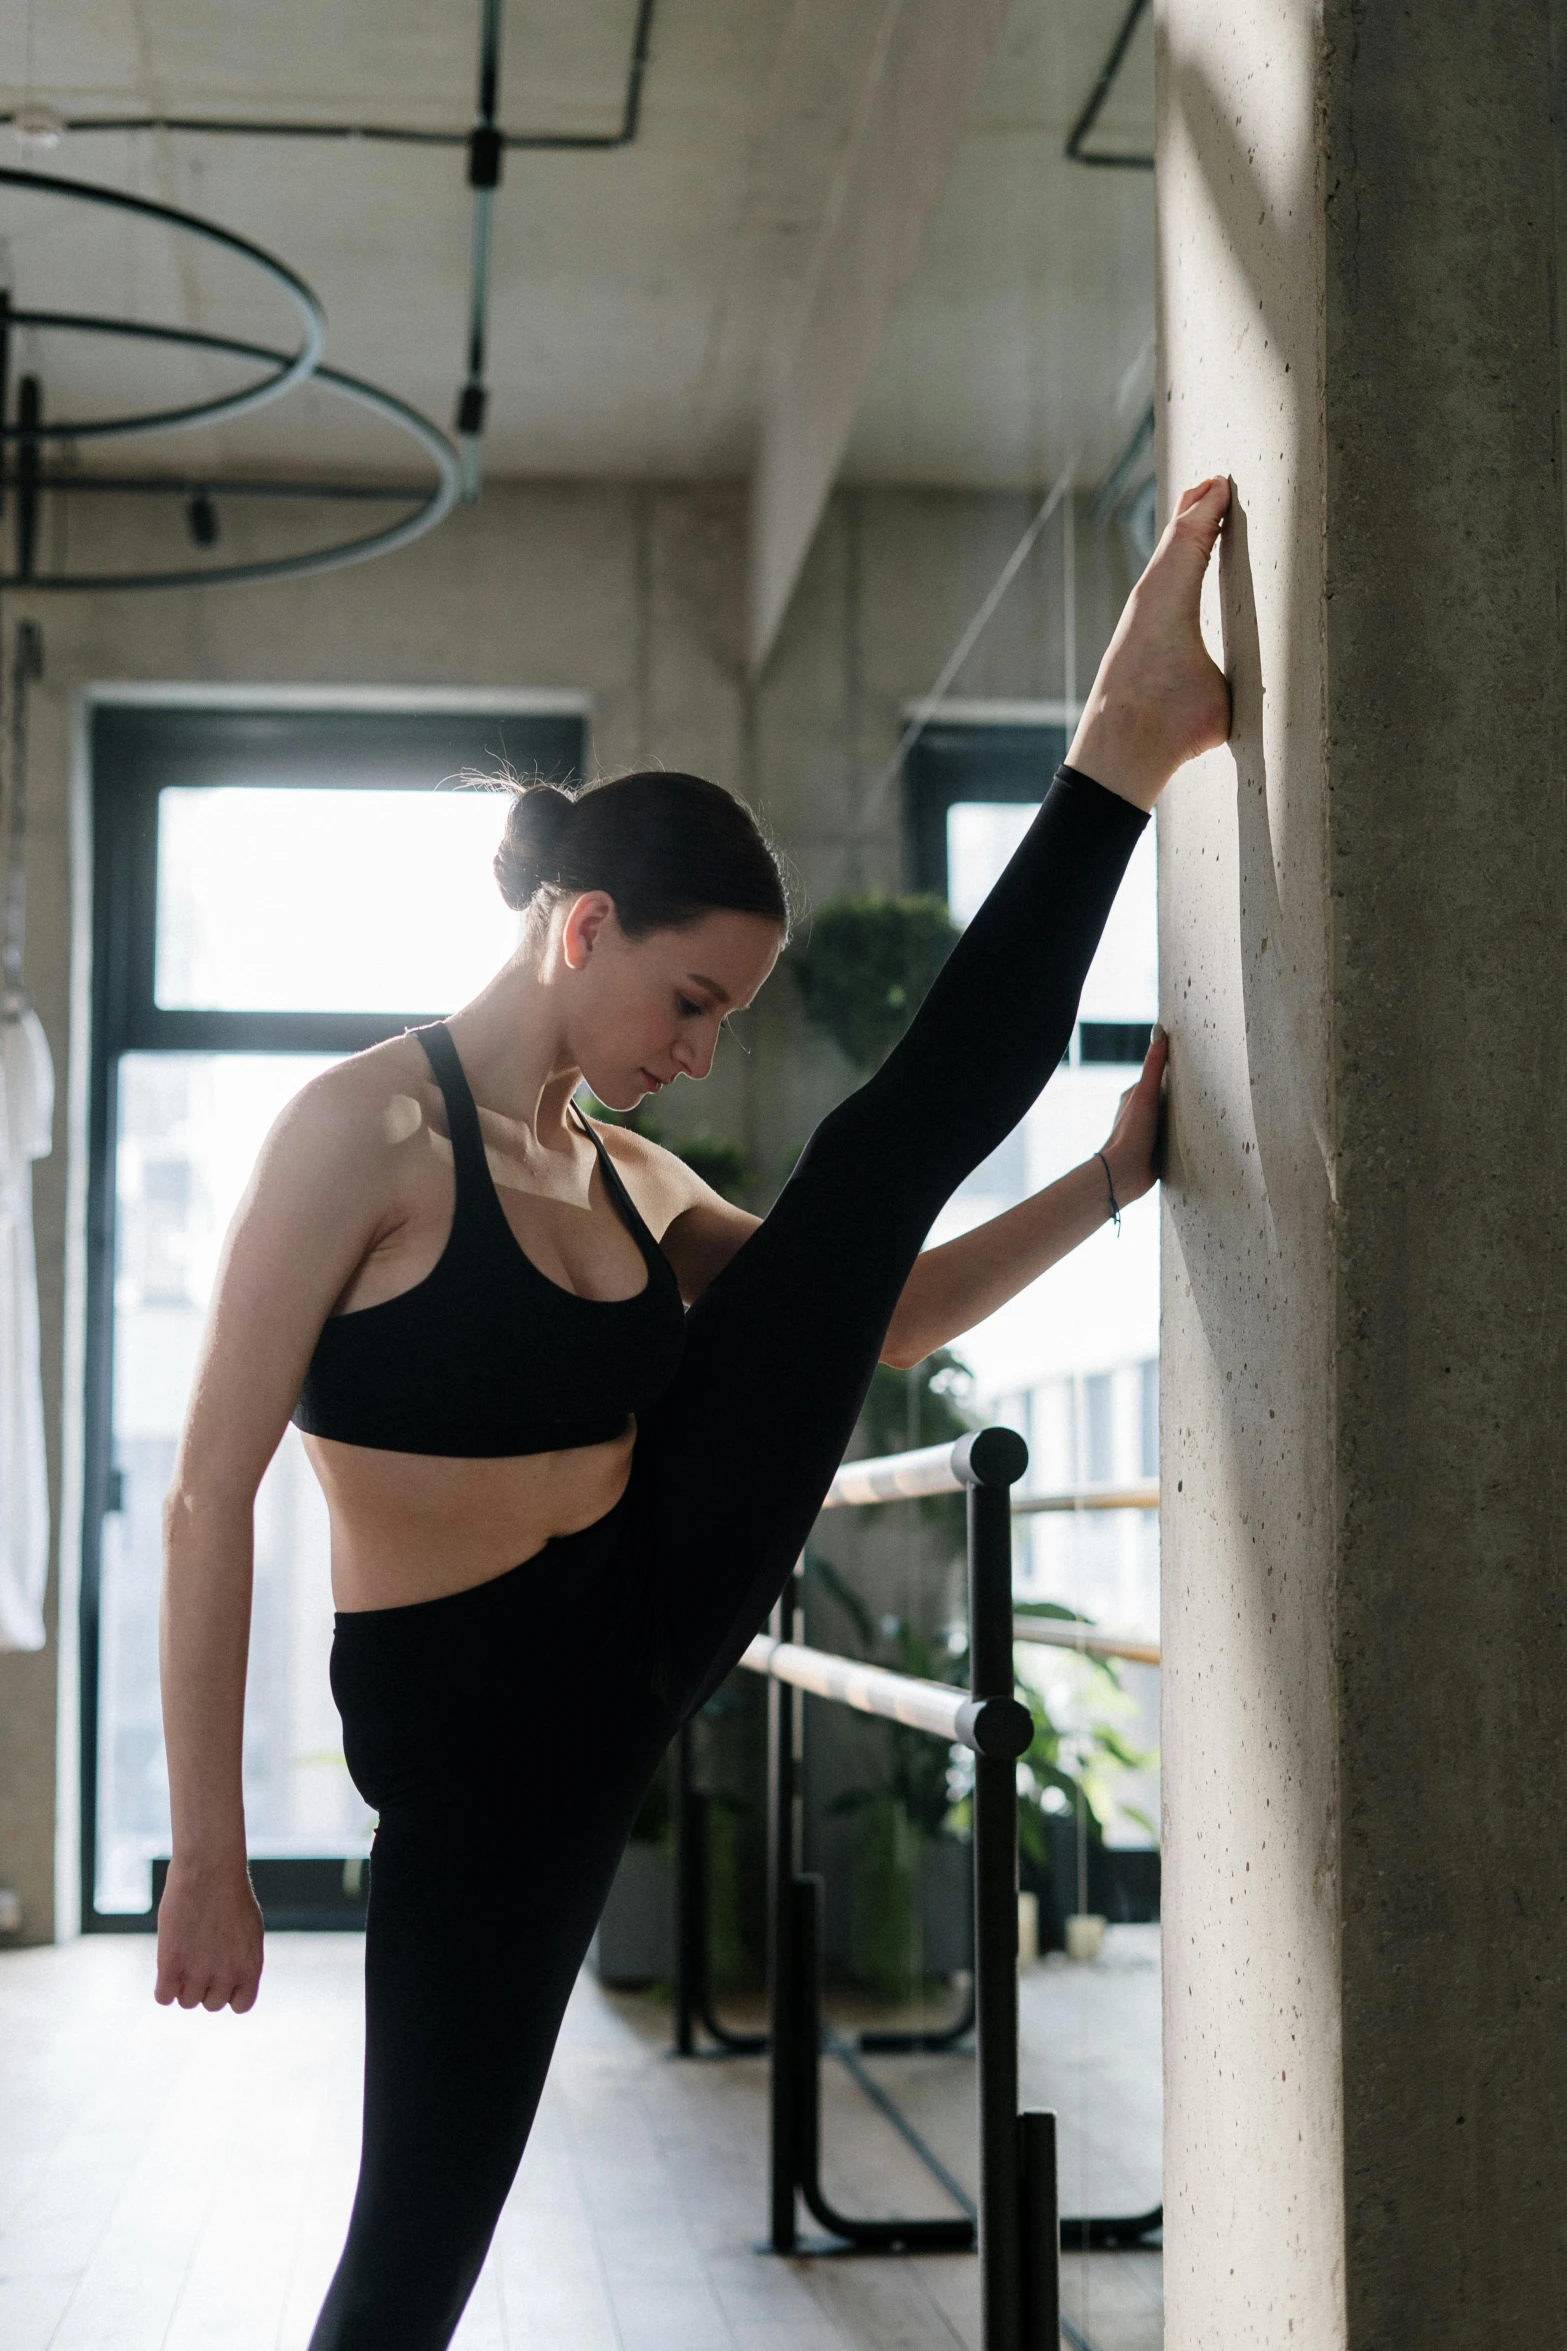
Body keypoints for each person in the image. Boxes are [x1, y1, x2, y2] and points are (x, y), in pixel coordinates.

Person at [155, 477, 1231, 2349]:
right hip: (484, 1741)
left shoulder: (625, 1176)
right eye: (688, 997)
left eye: (725, 1015)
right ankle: (1126, 744)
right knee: (416, 2248)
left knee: (865, 1161)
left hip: (646, 1613)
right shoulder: (359, 1135)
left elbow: (869, 1315)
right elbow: (201, 1497)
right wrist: (209, 1850)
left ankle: (1121, 754)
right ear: (578, 928)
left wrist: (1109, 1186)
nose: (697, 1048)